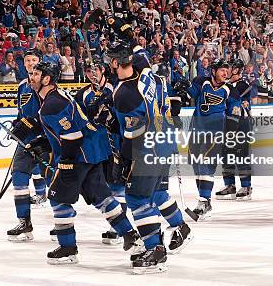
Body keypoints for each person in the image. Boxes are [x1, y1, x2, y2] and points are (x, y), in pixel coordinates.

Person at [30, 61, 141, 266]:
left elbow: (73, 135)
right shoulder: (54, 97)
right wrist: (43, 140)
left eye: (36, 74)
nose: (31, 76)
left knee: (57, 197)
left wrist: (67, 163)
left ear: (47, 79)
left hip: (80, 154)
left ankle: (68, 247)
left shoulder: (52, 104)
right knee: (102, 198)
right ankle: (131, 236)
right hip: (93, 151)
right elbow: (66, 129)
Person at [108, 41, 192, 274]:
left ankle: (155, 249)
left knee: (136, 198)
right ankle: (180, 227)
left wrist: (124, 160)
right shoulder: (150, 75)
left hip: (147, 149)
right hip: (165, 142)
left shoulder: (124, 93)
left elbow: (133, 134)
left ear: (116, 62)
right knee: (156, 193)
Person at [75, 56, 125, 245]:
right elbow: (78, 118)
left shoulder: (115, 87)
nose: (91, 74)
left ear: (103, 70)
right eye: (88, 71)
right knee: (102, 186)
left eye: (95, 70)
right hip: (96, 145)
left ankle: (118, 227)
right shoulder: (83, 94)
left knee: (117, 183)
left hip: (115, 142)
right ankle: (117, 221)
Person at [5, 48, 49, 242]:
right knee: (19, 177)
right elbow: (22, 113)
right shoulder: (22, 85)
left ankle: (62, 226)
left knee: (57, 184)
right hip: (27, 142)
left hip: (48, 142)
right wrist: (17, 125)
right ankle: (24, 222)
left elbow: (51, 113)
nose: (31, 63)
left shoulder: (48, 85)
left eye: (34, 60)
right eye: (28, 60)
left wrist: (32, 124)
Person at [186, 58, 232, 219]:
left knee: (206, 165)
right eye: (222, 70)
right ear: (214, 71)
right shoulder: (202, 82)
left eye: (227, 71)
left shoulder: (229, 89)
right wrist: (183, 86)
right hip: (196, 130)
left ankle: (203, 201)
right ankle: (205, 200)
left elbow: (235, 111)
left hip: (215, 133)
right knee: (197, 166)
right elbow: (190, 93)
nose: (226, 73)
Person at [215, 59, 253, 200]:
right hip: (228, 123)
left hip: (241, 124)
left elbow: (237, 99)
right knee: (226, 154)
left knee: (241, 154)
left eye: (229, 68)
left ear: (236, 70)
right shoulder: (226, 86)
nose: (226, 71)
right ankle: (229, 185)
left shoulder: (243, 85)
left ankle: (246, 186)